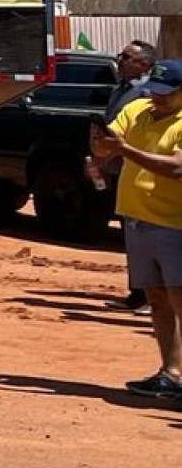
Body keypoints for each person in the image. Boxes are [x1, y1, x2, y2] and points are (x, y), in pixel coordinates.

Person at [89, 58, 182, 397]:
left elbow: (175, 168)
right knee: (157, 298)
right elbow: (108, 143)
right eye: (154, 91)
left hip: (175, 224)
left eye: (167, 94)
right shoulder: (139, 109)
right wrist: (100, 145)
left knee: (179, 299)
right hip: (138, 220)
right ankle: (171, 373)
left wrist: (124, 150)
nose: (157, 98)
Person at [104, 41, 159, 310]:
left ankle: (147, 294)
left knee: (144, 233)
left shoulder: (148, 95)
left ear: (144, 65)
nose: (121, 60)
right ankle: (137, 291)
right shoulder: (121, 89)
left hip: (144, 172)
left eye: (127, 57)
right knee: (130, 232)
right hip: (120, 169)